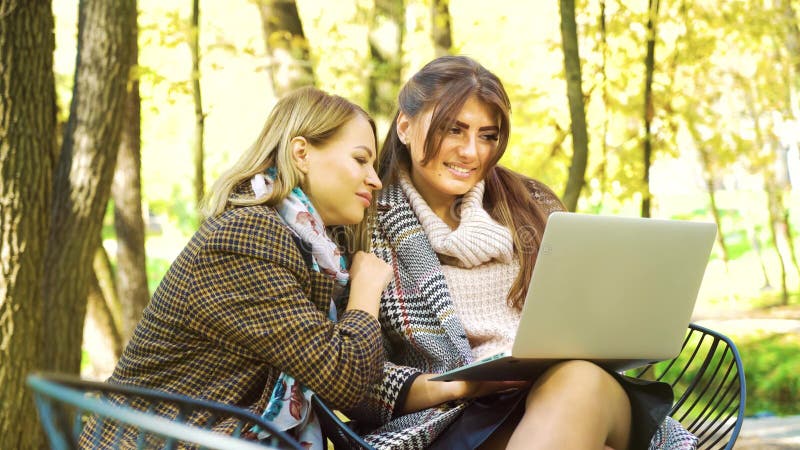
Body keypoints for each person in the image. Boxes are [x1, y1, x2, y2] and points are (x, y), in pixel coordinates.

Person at [346, 56, 698, 450]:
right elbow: (352, 378)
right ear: (406, 127)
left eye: (487, 136)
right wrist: (463, 384)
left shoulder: (531, 204)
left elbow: (588, 320)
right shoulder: (364, 224)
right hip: (457, 416)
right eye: (454, 130)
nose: (471, 152)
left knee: (576, 381)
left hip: (582, 391)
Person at [86, 86, 392, 447]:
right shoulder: (248, 235)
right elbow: (344, 378)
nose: (375, 179)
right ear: (301, 153)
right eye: (360, 160)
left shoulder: (309, 252)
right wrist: (367, 290)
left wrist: (448, 387)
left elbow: (339, 369)